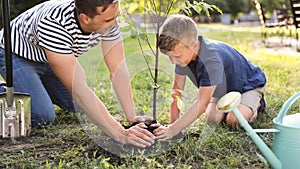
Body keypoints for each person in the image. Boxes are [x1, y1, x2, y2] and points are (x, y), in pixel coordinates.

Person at [0, 0, 155, 148]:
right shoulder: (53, 24)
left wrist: (131, 117)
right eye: (108, 20)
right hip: (15, 55)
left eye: (116, 16)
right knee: (42, 116)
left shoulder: (109, 22)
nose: (115, 24)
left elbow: (118, 70)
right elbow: (79, 90)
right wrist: (120, 133)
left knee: (77, 106)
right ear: (85, 18)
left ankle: (34, 87)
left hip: (50, 57)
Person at [153, 14, 266, 140]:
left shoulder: (211, 60)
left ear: (194, 46)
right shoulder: (182, 58)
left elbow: (202, 102)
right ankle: (231, 107)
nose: (173, 62)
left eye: (177, 57)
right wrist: (172, 124)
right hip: (223, 92)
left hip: (247, 85)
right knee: (211, 119)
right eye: (170, 57)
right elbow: (176, 93)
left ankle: (257, 103)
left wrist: (173, 130)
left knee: (233, 121)